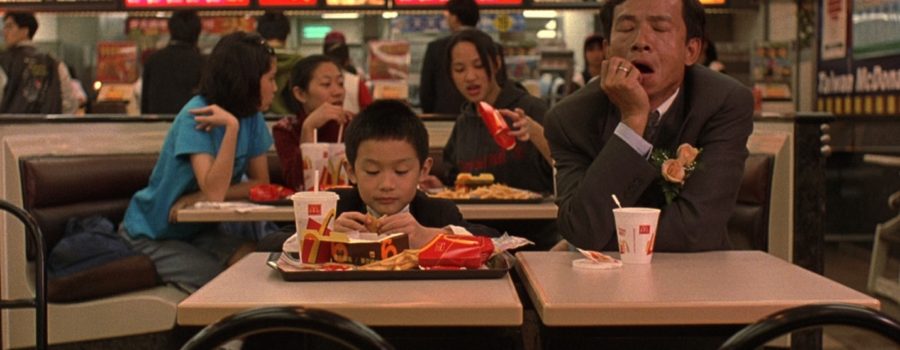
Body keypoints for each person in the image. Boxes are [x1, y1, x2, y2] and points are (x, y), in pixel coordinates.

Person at [543, 0, 754, 252]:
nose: (640, 41)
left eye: (660, 28)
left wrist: (597, 240)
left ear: (691, 50)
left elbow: (697, 230)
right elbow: (582, 226)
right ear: (608, 50)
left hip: (698, 276)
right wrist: (633, 121)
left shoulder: (722, 102)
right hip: (601, 281)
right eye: (626, 27)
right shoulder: (570, 118)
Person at [119, 32, 278, 293]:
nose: (275, 87)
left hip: (198, 232)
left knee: (255, 261)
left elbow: (261, 183)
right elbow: (215, 192)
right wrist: (231, 128)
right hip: (152, 234)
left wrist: (199, 196)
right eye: (270, 79)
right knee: (221, 281)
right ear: (247, 79)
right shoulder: (198, 115)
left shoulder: (252, 116)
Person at [423, 29, 557, 249]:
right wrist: (440, 185)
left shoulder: (529, 109)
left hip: (535, 238)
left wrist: (533, 131)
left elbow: (563, 163)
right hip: (479, 240)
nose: (470, 76)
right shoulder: (465, 120)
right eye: (459, 69)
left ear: (495, 64)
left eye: (478, 65)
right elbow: (458, 179)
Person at [333, 99, 498, 248]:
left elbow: (498, 243)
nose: (386, 185)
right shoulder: (333, 207)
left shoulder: (438, 213)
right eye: (372, 171)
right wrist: (326, 236)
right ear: (351, 171)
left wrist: (432, 236)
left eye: (401, 171)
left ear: (423, 170)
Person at [272, 55, 354, 191]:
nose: (338, 92)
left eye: (340, 83)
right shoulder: (286, 129)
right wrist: (308, 128)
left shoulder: (353, 124)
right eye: (326, 84)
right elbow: (298, 185)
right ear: (300, 94)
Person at [0, 12, 80, 114]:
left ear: (25, 31)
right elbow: (70, 104)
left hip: (9, 127)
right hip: (47, 128)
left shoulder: (4, 62)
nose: (4, 32)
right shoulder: (54, 64)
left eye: (9, 26)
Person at [419, 0, 479, 114]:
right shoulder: (493, 47)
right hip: (484, 119)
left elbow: (426, 92)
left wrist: (431, 116)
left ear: (454, 18)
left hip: (444, 118)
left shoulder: (436, 48)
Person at [141, 10, 205, 114]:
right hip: (191, 126)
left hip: (155, 127)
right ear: (197, 33)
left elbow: (145, 105)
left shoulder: (153, 60)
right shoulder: (203, 63)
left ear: (170, 30)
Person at [257, 11, 303, 116]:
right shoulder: (302, 64)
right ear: (287, 34)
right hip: (292, 123)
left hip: (260, 120)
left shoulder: (252, 61)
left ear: (259, 34)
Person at [322, 31, 372, 114]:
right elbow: (369, 113)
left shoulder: (314, 80)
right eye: (326, 84)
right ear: (347, 59)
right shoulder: (356, 82)